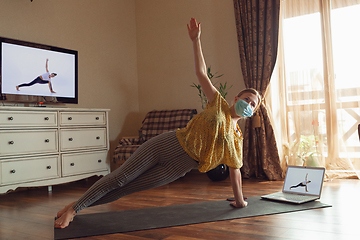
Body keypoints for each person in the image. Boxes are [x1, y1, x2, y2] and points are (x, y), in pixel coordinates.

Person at [54, 18, 262, 229]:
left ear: (252, 112)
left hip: (178, 167)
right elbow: (201, 73)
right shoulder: (217, 103)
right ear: (236, 98)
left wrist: (240, 200)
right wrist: (195, 40)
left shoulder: (237, 139)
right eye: (246, 99)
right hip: (166, 144)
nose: (248, 104)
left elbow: (235, 172)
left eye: (253, 104)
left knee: (125, 189)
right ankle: (73, 210)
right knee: (120, 178)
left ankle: (77, 206)